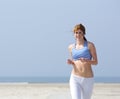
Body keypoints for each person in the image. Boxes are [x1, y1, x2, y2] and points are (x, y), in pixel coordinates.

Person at [67, 23, 98, 99]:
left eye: (80, 32)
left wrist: (87, 61)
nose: (78, 35)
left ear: (84, 33)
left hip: (88, 79)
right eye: (76, 33)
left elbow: (96, 62)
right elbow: (74, 61)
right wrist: (71, 62)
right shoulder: (71, 47)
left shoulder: (90, 45)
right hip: (75, 78)